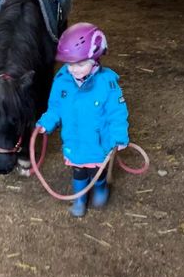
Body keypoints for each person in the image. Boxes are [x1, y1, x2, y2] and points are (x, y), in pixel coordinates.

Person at [36, 22, 129, 217]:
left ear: (95, 60)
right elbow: (56, 108)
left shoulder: (107, 84)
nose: (74, 70)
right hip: (74, 141)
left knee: (97, 172)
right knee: (78, 171)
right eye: (69, 64)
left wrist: (119, 136)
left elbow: (117, 113)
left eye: (80, 64)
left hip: (98, 143)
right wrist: (47, 122)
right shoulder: (61, 82)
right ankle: (80, 199)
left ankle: (100, 188)